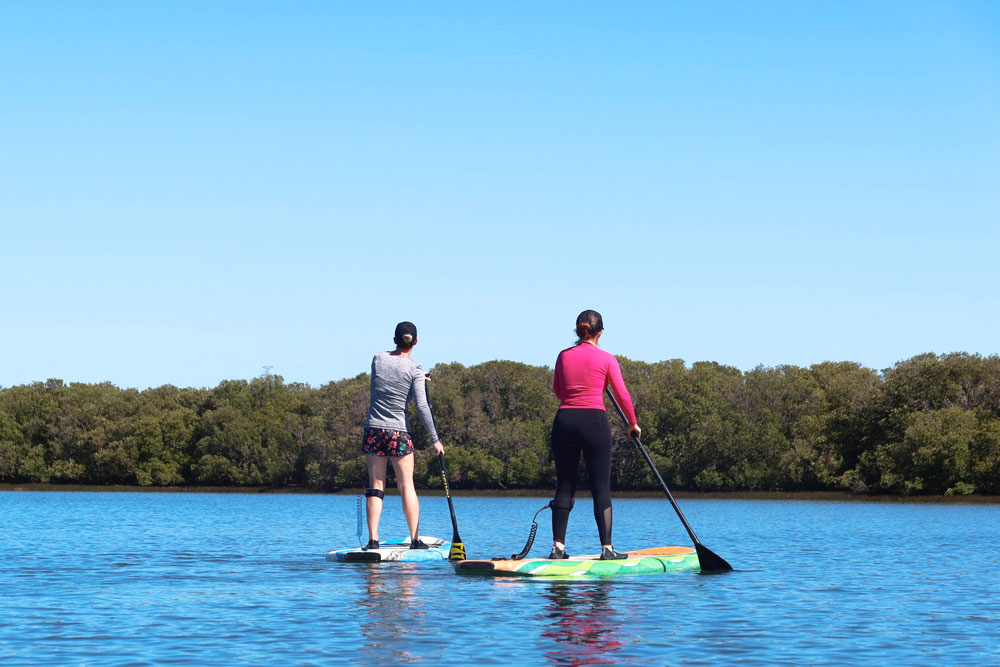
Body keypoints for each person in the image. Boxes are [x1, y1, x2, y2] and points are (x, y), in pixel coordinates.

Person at [549, 309, 640, 560]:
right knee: (600, 487)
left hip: (564, 420)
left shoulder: (562, 356)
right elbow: (621, 394)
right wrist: (632, 423)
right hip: (594, 422)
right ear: (600, 332)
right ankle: (607, 550)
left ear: (578, 330)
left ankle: (558, 548)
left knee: (565, 485)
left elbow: (558, 390)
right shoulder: (607, 359)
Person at [362, 321, 444, 550]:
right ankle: (415, 540)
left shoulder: (377, 359)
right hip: (399, 432)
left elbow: (388, 388)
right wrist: (435, 440)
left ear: (394, 339)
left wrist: (416, 379)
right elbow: (421, 406)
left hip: (374, 429)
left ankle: (373, 540)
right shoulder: (415, 369)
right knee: (406, 485)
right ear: (416, 342)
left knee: (375, 486)